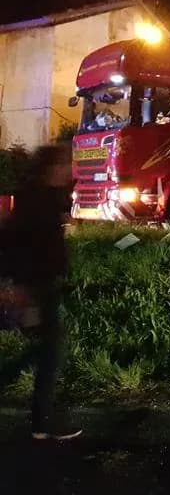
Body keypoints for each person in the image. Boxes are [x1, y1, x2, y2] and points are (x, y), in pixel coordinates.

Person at [1, 142, 81, 440]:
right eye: (64, 164)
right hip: (37, 285)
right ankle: (42, 422)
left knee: (44, 349)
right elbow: (16, 244)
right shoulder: (36, 201)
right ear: (51, 168)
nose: (69, 169)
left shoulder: (46, 197)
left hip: (43, 283)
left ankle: (41, 421)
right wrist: (20, 286)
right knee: (48, 351)